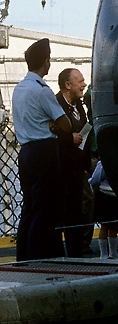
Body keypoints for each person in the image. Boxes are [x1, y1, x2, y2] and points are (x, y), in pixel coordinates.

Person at [12, 38, 80, 261]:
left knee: (30, 206)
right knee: (47, 207)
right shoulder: (43, 91)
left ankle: (24, 254)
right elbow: (66, 125)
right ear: (46, 62)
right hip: (45, 152)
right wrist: (53, 124)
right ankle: (42, 254)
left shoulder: (19, 89)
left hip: (26, 153)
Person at [55, 68, 91, 257]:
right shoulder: (55, 104)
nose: (84, 84)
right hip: (61, 169)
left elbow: (84, 132)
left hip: (77, 169)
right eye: (80, 81)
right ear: (68, 85)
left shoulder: (79, 106)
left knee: (78, 211)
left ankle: (78, 249)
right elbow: (49, 135)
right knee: (61, 212)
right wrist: (69, 139)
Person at [88, 158, 118, 259]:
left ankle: (113, 252)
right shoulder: (103, 163)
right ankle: (103, 253)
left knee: (115, 224)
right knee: (105, 225)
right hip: (105, 195)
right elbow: (95, 179)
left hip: (115, 196)